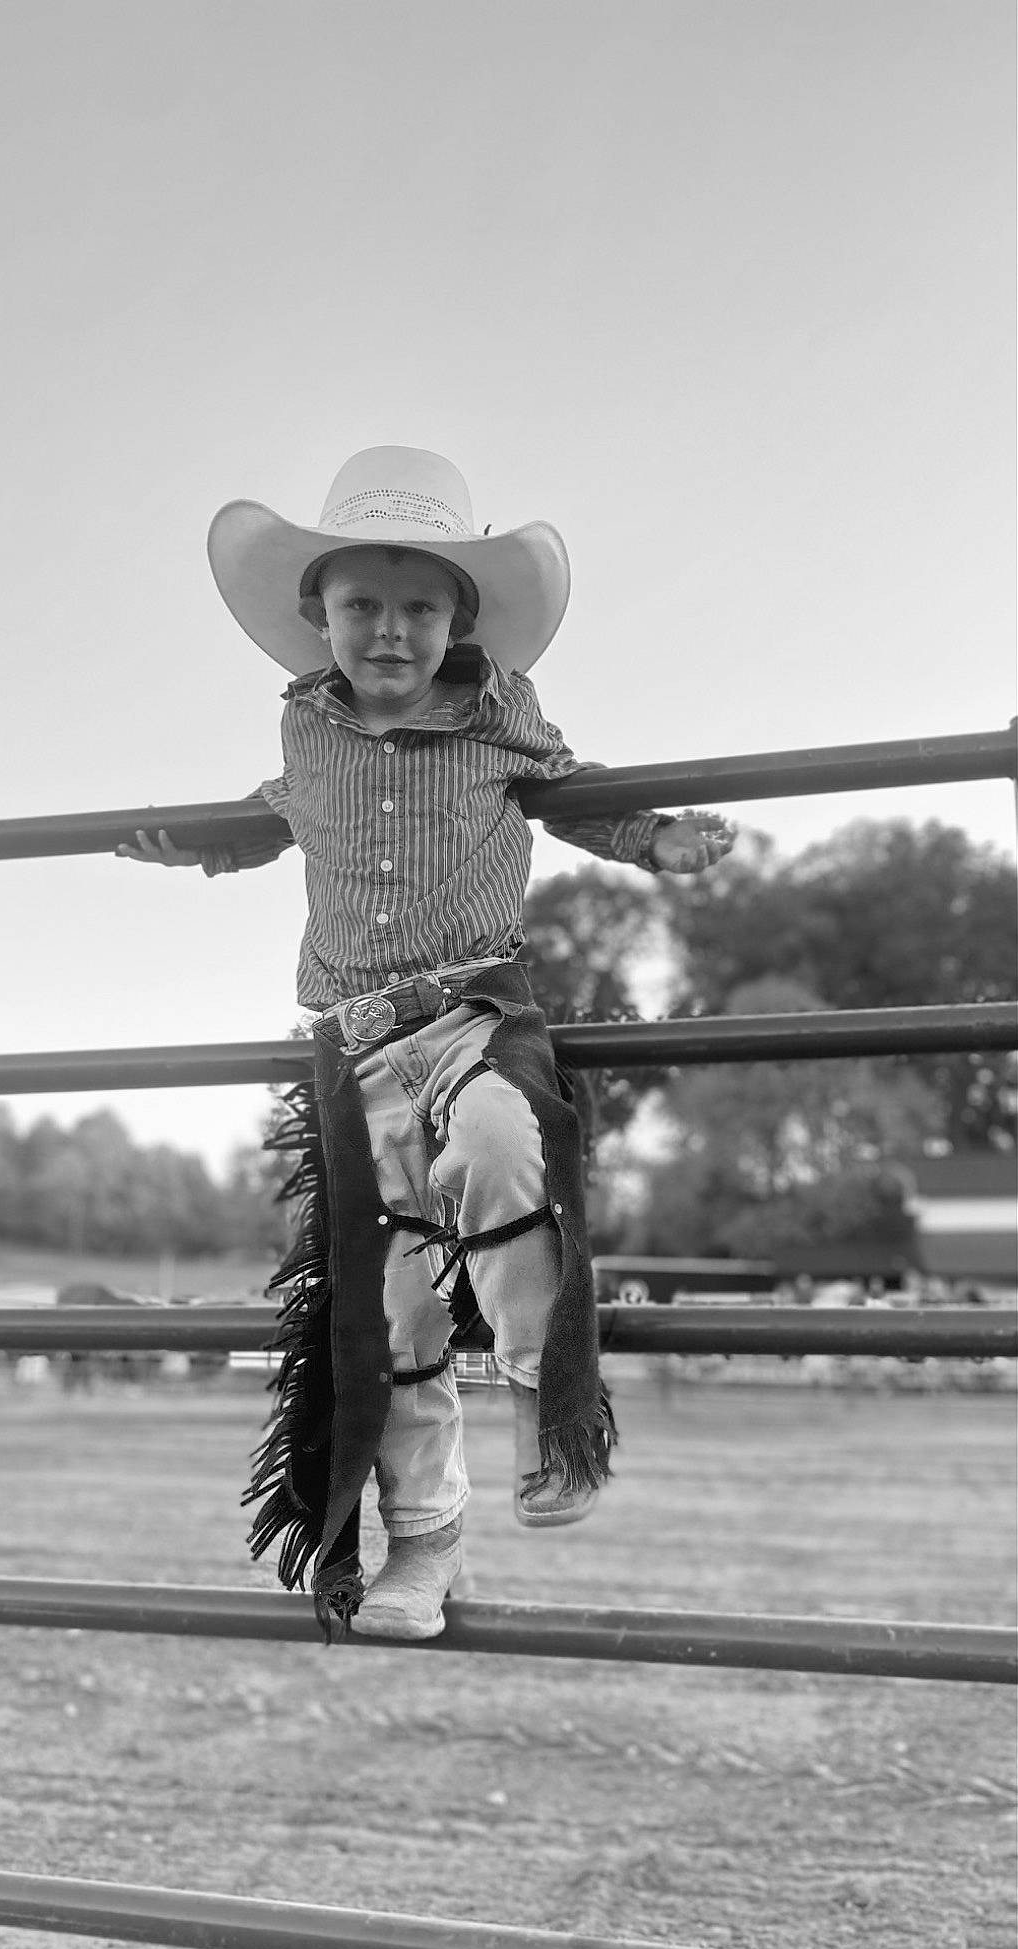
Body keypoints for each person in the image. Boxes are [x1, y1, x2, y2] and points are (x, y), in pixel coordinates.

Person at [119, 447, 734, 1640]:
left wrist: (655, 838)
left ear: (458, 616)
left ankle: (545, 1409)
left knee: (508, 1146)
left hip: (473, 1012)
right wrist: (191, 843)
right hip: (354, 1044)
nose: (387, 631)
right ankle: (422, 1547)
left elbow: (571, 787)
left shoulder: (501, 713)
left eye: (416, 606)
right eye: (360, 605)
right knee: (389, 1295)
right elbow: (268, 819)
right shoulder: (307, 731)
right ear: (319, 616)